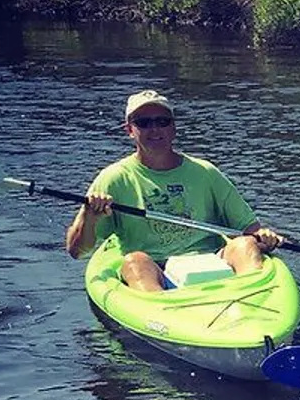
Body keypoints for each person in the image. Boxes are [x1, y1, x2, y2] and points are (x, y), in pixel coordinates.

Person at [64, 90, 281, 291]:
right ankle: (161, 316)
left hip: (213, 259)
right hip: (153, 268)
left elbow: (251, 229)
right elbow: (77, 252)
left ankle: (255, 302)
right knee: (134, 262)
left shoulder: (205, 172)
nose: (155, 129)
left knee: (245, 244)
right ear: (130, 130)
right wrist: (89, 216)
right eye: (144, 123)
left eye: (162, 121)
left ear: (173, 127)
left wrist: (264, 237)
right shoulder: (113, 179)